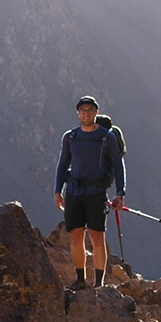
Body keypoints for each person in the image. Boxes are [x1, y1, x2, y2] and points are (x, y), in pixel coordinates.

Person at [53, 95, 126, 288]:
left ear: (96, 112)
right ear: (78, 113)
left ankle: (99, 283)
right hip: (74, 192)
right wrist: (58, 191)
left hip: (96, 192)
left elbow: (119, 166)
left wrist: (120, 193)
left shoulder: (106, 137)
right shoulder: (70, 137)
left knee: (96, 237)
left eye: (90, 110)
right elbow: (62, 165)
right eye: (83, 110)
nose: (86, 114)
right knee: (76, 237)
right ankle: (80, 280)